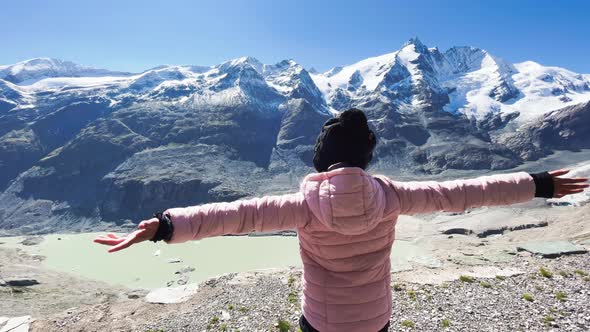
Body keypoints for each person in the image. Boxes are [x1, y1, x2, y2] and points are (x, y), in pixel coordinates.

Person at [94, 108, 588, 332]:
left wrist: (165, 223)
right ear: (366, 159)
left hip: (323, 319)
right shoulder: (394, 195)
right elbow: (464, 192)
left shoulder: (301, 205)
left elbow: (234, 216)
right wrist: (539, 183)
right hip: (374, 317)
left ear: (319, 159)